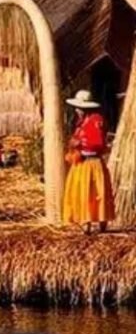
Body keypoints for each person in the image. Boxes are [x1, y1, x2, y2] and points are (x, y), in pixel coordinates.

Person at [62, 90, 115, 233]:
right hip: (81, 162)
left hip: (92, 163)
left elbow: (97, 142)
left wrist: (79, 142)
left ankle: (99, 223)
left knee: (94, 192)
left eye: (79, 108)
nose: (76, 110)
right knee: (81, 191)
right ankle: (86, 223)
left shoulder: (96, 120)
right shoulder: (82, 122)